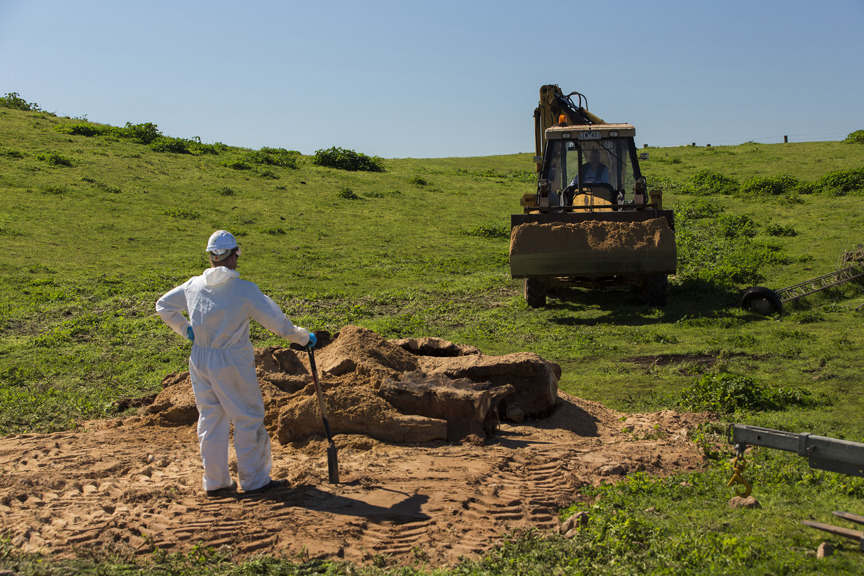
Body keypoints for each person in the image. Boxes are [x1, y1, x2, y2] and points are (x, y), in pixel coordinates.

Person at [156, 230, 316, 497]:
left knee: (211, 418)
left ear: (211, 257)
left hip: (200, 358)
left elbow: (163, 305)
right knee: (247, 417)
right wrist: (302, 338)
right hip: (231, 361)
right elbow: (278, 324)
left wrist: (185, 330)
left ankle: (216, 482)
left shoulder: (193, 285)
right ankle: (255, 481)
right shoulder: (245, 291)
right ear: (234, 256)